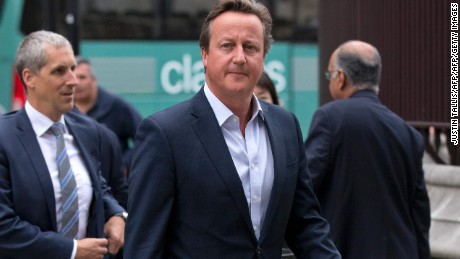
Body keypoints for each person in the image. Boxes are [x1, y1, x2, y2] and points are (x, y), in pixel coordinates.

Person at [124, 0, 340, 258]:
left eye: (250, 47)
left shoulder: (286, 126)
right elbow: (144, 246)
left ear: (263, 57)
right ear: (204, 54)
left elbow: (305, 224)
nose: (239, 57)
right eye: (227, 46)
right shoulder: (164, 134)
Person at [0, 30, 127, 258]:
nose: (73, 81)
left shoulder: (86, 131)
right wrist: (72, 250)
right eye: (59, 71)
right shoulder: (4, 138)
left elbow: (96, 186)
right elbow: (3, 226)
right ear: (29, 78)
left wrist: (116, 215)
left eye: (72, 68)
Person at [304, 40, 431, 258]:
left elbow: (305, 188)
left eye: (329, 75)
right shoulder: (409, 134)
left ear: (340, 78)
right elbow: (419, 214)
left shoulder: (330, 118)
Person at [74, 58, 143, 175]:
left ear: (93, 80)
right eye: (74, 78)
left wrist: (124, 166)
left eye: (82, 77)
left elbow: (144, 137)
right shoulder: (63, 110)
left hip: (113, 184)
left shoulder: (115, 106)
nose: (77, 83)